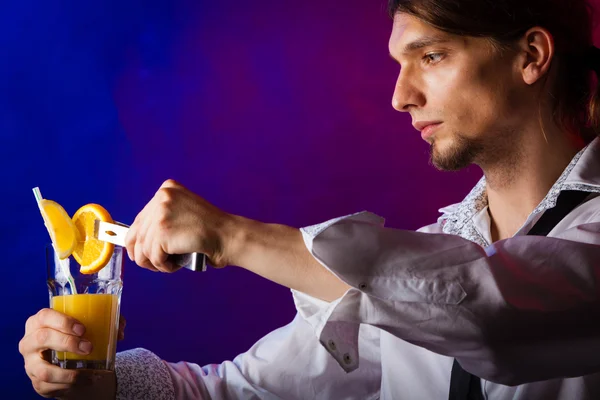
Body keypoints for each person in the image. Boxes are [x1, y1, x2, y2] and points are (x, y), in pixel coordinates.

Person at [19, 0, 600, 398]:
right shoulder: (420, 267)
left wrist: (233, 236)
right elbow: (232, 390)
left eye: (432, 56)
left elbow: (487, 313)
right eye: (400, 65)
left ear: (531, 55)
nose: (400, 96)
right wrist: (104, 384)